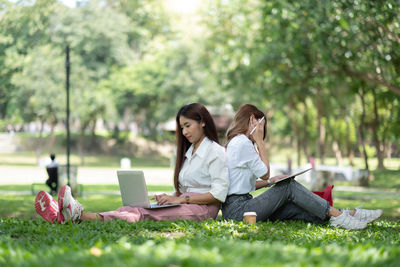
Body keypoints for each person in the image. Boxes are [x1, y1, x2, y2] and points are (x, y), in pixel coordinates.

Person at [35, 103, 229, 224]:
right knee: (133, 208)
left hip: (203, 210)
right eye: (182, 127)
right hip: (186, 203)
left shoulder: (216, 152)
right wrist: (169, 198)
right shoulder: (189, 153)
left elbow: (218, 194)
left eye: (188, 125)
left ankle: (80, 215)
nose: (185, 132)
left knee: (142, 214)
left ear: (202, 122)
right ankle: (63, 216)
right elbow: (184, 189)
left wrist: (180, 199)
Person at [221, 104, 382, 230]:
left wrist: (271, 181)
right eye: (260, 127)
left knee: (292, 206)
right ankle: (341, 216)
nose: (262, 131)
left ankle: (346, 215)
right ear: (252, 123)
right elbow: (264, 173)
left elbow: (242, 184)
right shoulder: (242, 142)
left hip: (238, 207)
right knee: (288, 186)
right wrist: (260, 143)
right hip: (239, 210)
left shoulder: (237, 142)